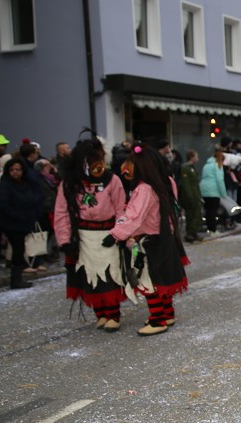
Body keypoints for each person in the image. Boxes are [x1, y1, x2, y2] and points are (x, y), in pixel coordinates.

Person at [107, 143, 188, 336]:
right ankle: (168, 314)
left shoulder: (144, 189)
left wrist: (116, 234)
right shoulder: (167, 181)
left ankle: (158, 319)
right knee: (162, 279)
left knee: (149, 281)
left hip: (150, 239)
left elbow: (134, 216)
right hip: (165, 237)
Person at [54, 137, 129, 331]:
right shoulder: (70, 183)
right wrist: (64, 239)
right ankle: (100, 313)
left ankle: (113, 313)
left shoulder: (112, 180)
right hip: (83, 235)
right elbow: (61, 212)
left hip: (107, 234)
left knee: (109, 273)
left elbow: (121, 209)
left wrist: (118, 234)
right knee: (88, 274)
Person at [0, 156, 43, 289]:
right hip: (12, 223)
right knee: (18, 249)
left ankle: (17, 278)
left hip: (26, 221)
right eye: (12, 170)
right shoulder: (5, 184)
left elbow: (36, 198)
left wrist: (34, 213)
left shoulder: (28, 183)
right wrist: (19, 215)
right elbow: (3, 205)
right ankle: (15, 279)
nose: (15, 172)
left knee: (20, 249)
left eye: (18, 169)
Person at [199, 145, 227, 235]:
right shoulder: (217, 165)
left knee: (208, 211)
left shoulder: (206, 165)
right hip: (213, 190)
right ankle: (213, 230)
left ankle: (210, 229)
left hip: (204, 189)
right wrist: (223, 194)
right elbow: (220, 180)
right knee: (213, 211)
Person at [179, 150, 203, 243]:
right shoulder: (185, 168)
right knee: (191, 215)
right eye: (196, 156)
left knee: (197, 214)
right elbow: (186, 184)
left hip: (195, 194)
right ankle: (190, 233)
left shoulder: (192, 168)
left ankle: (194, 233)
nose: (198, 158)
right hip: (190, 196)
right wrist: (190, 196)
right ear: (191, 157)